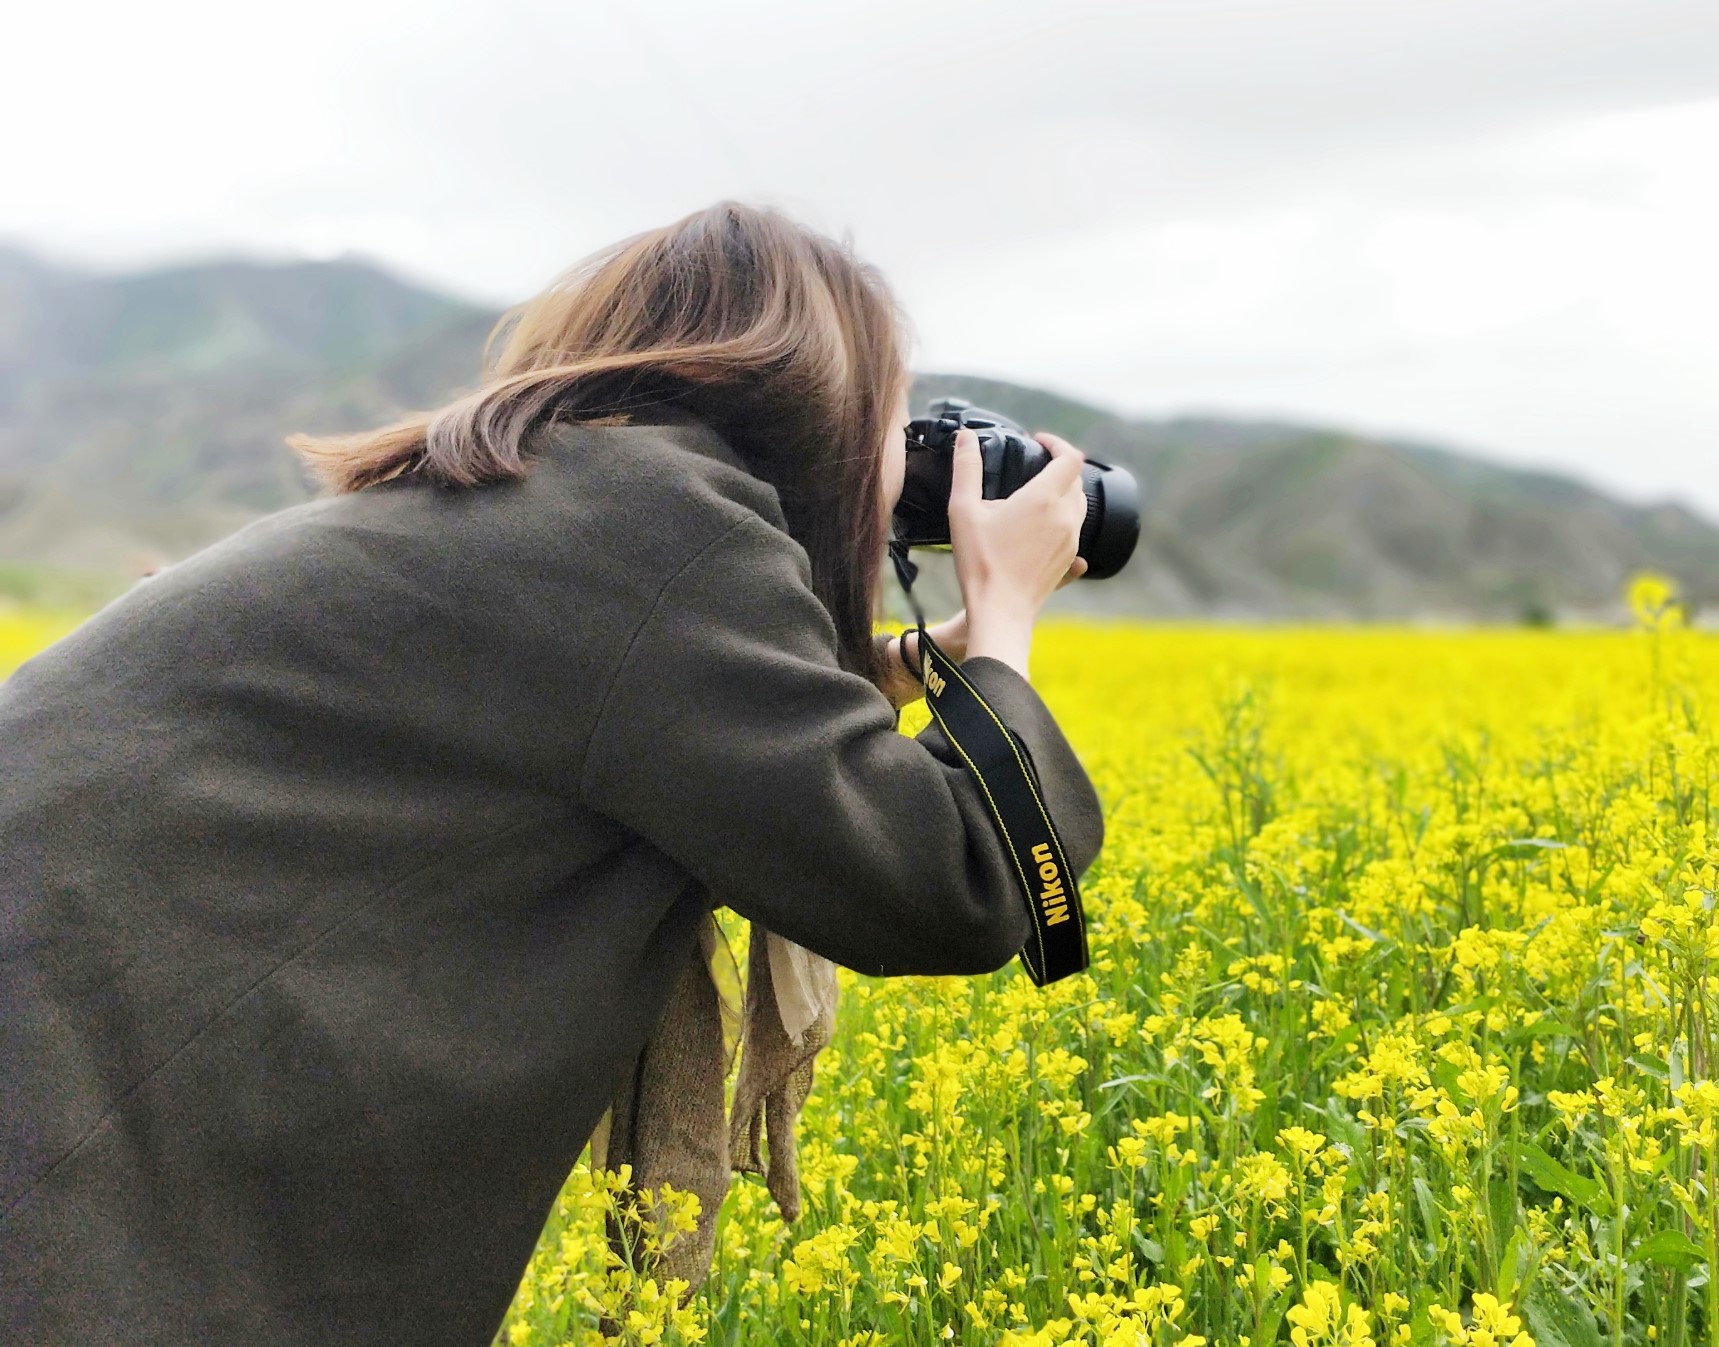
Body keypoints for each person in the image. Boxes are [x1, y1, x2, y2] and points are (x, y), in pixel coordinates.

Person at [0, 200, 1107, 1345]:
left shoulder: (536, 494)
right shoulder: (662, 527)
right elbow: (953, 886)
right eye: (896, 418)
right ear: (816, 398)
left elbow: (621, 712)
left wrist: (854, 676)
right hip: (66, 1131)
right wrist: (1005, 617)